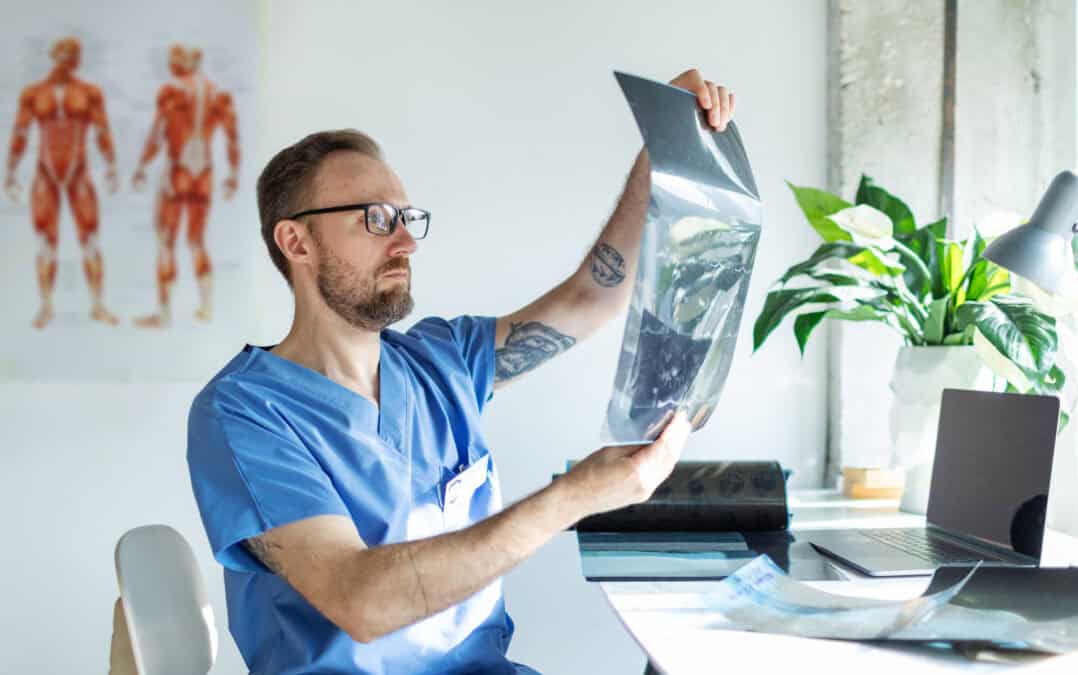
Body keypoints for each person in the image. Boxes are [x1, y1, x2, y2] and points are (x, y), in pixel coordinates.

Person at [187, 68, 735, 674]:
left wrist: (663, 143)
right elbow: (361, 601)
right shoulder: (244, 414)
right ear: (296, 242)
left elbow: (592, 297)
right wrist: (574, 497)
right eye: (374, 219)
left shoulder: (440, 362)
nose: (405, 242)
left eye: (406, 218)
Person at [4, 36, 119, 329]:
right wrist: (11, 173)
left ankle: (96, 305)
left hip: (78, 172)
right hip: (46, 173)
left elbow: (103, 129)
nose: (71, 60)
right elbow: (20, 133)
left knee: (90, 240)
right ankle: (46, 306)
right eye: (67, 53)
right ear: (55, 55)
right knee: (46, 242)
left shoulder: (89, 92)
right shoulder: (33, 93)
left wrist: (111, 167)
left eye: (76, 54)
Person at [132, 44, 240, 327]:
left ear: (189, 61)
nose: (171, 64)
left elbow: (158, 133)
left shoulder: (172, 91)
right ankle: (205, 307)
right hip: (203, 174)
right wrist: (232, 175)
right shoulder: (219, 95)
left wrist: (142, 166)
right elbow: (231, 138)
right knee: (196, 241)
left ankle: (165, 314)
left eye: (175, 59)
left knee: (166, 242)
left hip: (177, 172)